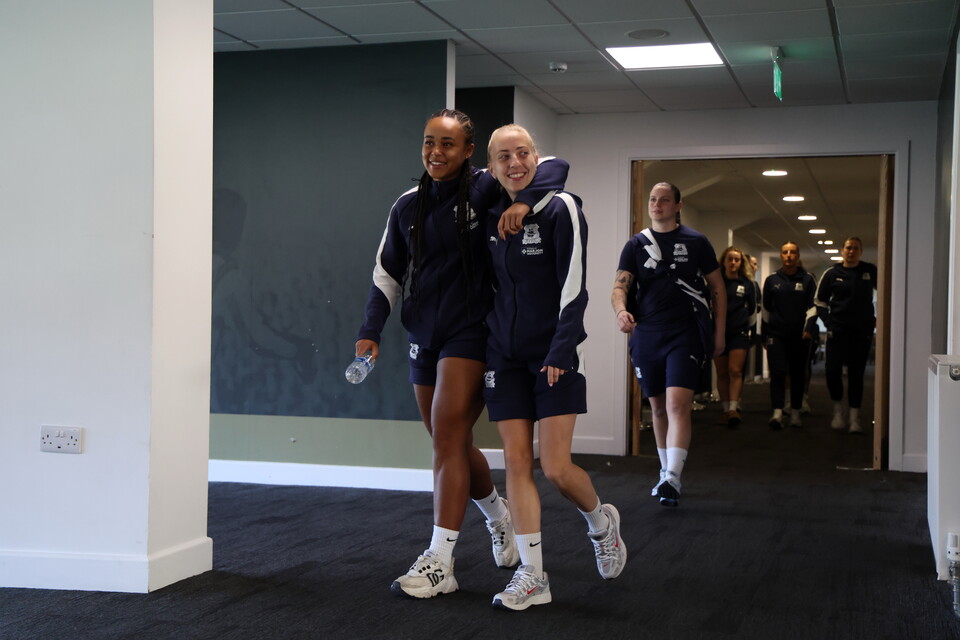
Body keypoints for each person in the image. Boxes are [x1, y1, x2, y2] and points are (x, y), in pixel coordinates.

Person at [354, 109, 569, 599]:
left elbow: (552, 166)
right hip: (424, 332)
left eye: (448, 144)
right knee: (444, 438)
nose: (435, 152)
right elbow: (387, 273)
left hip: (473, 332)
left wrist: (528, 198)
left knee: (448, 433)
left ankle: (440, 561)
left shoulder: (486, 187)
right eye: (429, 142)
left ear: (469, 151)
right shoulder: (406, 205)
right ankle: (497, 514)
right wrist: (371, 330)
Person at [483, 124, 626, 611]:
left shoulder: (562, 207)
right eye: (503, 157)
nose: (514, 163)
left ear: (536, 158)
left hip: (555, 353)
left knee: (557, 467)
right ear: (492, 166)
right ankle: (533, 574)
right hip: (504, 356)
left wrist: (561, 350)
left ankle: (601, 522)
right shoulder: (490, 209)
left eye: (523, 153)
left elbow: (575, 285)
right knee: (517, 463)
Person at [611, 182, 726, 508]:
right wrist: (621, 312)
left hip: (685, 333)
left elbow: (718, 289)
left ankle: (674, 476)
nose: (657, 204)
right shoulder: (636, 245)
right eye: (652, 200)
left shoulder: (696, 241)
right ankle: (665, 473)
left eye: (664, 200)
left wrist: (719, 334)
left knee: (677, 405)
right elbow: (619, 286)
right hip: (647, 335)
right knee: (658, 407)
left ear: (677, 205)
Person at [815, 236, 878, 433]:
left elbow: (887, 293)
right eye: (848, 248)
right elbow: (820, 301)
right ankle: (838, 410)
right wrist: (828, 322)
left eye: (855, 248)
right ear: (842, 250)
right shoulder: (832, 273)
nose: (851, 251)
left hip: (861, 331)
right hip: (837, 330)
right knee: (832, 370)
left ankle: (854, 418)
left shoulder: (869, 271)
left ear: (860, 251)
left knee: (856, 374)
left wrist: (876, 320)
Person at [761, 241, 818, 430]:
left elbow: (812, 308)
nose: (788, 255)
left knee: (797, 375)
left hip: (800, 336)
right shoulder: (772, 280)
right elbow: (766, 310)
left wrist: (808, 329)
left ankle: (795, 412)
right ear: (781, 255)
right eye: (785, 252)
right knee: (777, 373)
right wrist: (764, 334)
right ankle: (777, 412)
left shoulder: (807, 279)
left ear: (798, 255)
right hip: (776, 334)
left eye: (792, 252)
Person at [714, 247, 757, 428]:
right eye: (730, 259)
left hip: (739, 332)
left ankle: (733, 408)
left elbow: (753, 310)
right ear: (724, 262)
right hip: (718, 333)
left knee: (735, 371)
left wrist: (753, 333)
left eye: (737, 260)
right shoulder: (715, 283)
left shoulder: (747, 284)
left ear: (741, 263)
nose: (733, 263)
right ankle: (725, 409)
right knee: (722, 373)